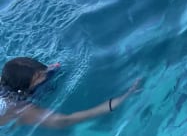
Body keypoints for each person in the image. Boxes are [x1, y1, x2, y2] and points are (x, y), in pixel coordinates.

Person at [0, 56, 140, 128]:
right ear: (23, 88)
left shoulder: (8, 81)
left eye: (41, 71)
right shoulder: (20, 109)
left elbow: (48, 70)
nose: (45, 75)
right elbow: (63, 121)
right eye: (38, 77)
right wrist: (123, 98)